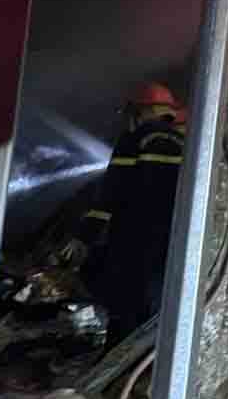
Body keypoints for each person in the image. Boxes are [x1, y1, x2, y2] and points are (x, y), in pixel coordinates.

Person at [79, 82, 186, 344]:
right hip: (169, 238)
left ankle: (117, 364)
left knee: (124, 302)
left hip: (131, 235)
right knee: (152, 303)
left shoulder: (135, 140)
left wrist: (88, 234)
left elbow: (113, 190)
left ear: (140, 110)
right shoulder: (184, 144)